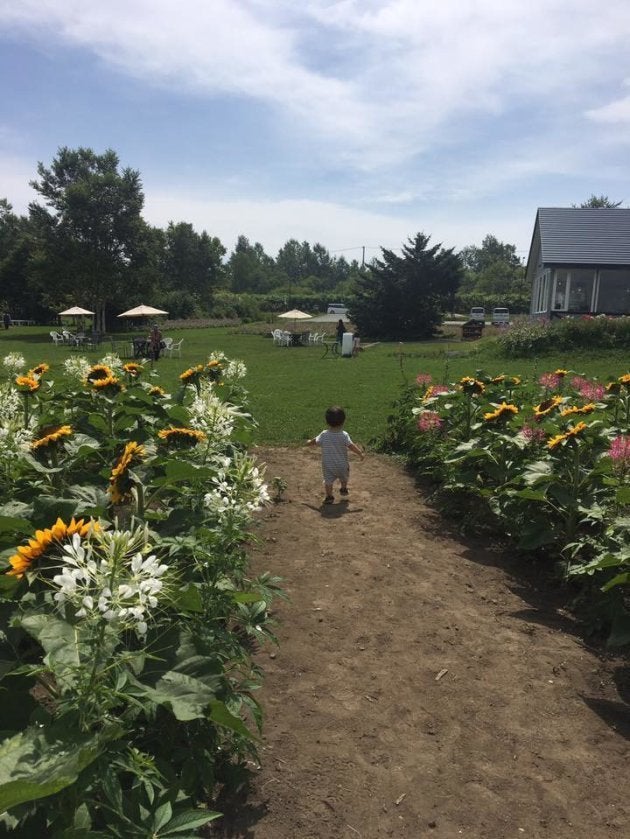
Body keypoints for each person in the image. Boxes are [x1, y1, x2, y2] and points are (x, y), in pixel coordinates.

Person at [306, 405, 364, 505]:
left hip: (328, 465)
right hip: (342, 465)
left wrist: (308, 442)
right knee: (344, 477)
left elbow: (315, 441)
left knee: (328, 481)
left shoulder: (324, 434)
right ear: (343, 421)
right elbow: (351, 446)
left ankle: (329, 497)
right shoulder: (344, 435)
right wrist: (360, 453)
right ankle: (343, 488)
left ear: (327, 421)